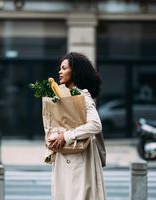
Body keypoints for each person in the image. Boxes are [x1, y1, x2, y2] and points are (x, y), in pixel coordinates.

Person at [49, 52, 107, 200]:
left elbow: (95, 125)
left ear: (74, 72)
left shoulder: (81, 96)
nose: (60, 72)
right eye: (60, 68)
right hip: (69, 155)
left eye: (64, 68)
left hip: (79, 158)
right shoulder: (66, 95)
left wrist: (67, 136)